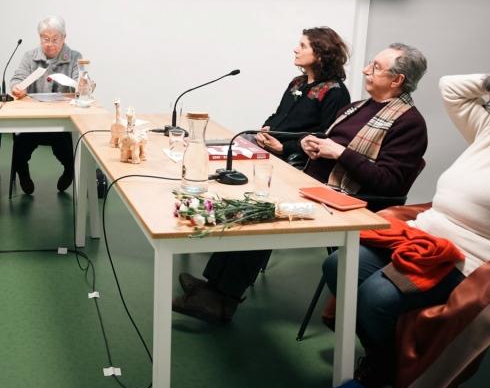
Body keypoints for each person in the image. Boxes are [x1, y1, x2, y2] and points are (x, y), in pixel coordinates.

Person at [322, 56, 490, 384]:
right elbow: (450, 86)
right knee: (338, 265)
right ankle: (385, 359)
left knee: (376, 298)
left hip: (469, 261)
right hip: (420, 236)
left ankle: (390, 372)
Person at [173, 42, 429, 323]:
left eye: (376, 67)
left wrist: (340, 153)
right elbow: (329, 139)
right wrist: (310, 143)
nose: (366, 70)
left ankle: (222, 301)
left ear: (397, 80)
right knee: (254, 199)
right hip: (313, 185)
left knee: (264, 216)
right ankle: (215, 288)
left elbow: (389, 182)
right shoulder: (359, 107)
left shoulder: (409, 124)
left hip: (350, 203)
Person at [8, 16, 82, 194]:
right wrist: (17, 87)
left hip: (60, 123)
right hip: (34, 120)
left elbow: (80, 83)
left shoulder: (74, 57)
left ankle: (70, 171)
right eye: (45, 39)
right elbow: (17, 79)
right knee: (20, 147)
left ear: (64, 37)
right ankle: (23, 173)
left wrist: (80, 86)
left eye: (54, 39)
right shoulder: (30, 56)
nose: (49, 44)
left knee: (65, 148)